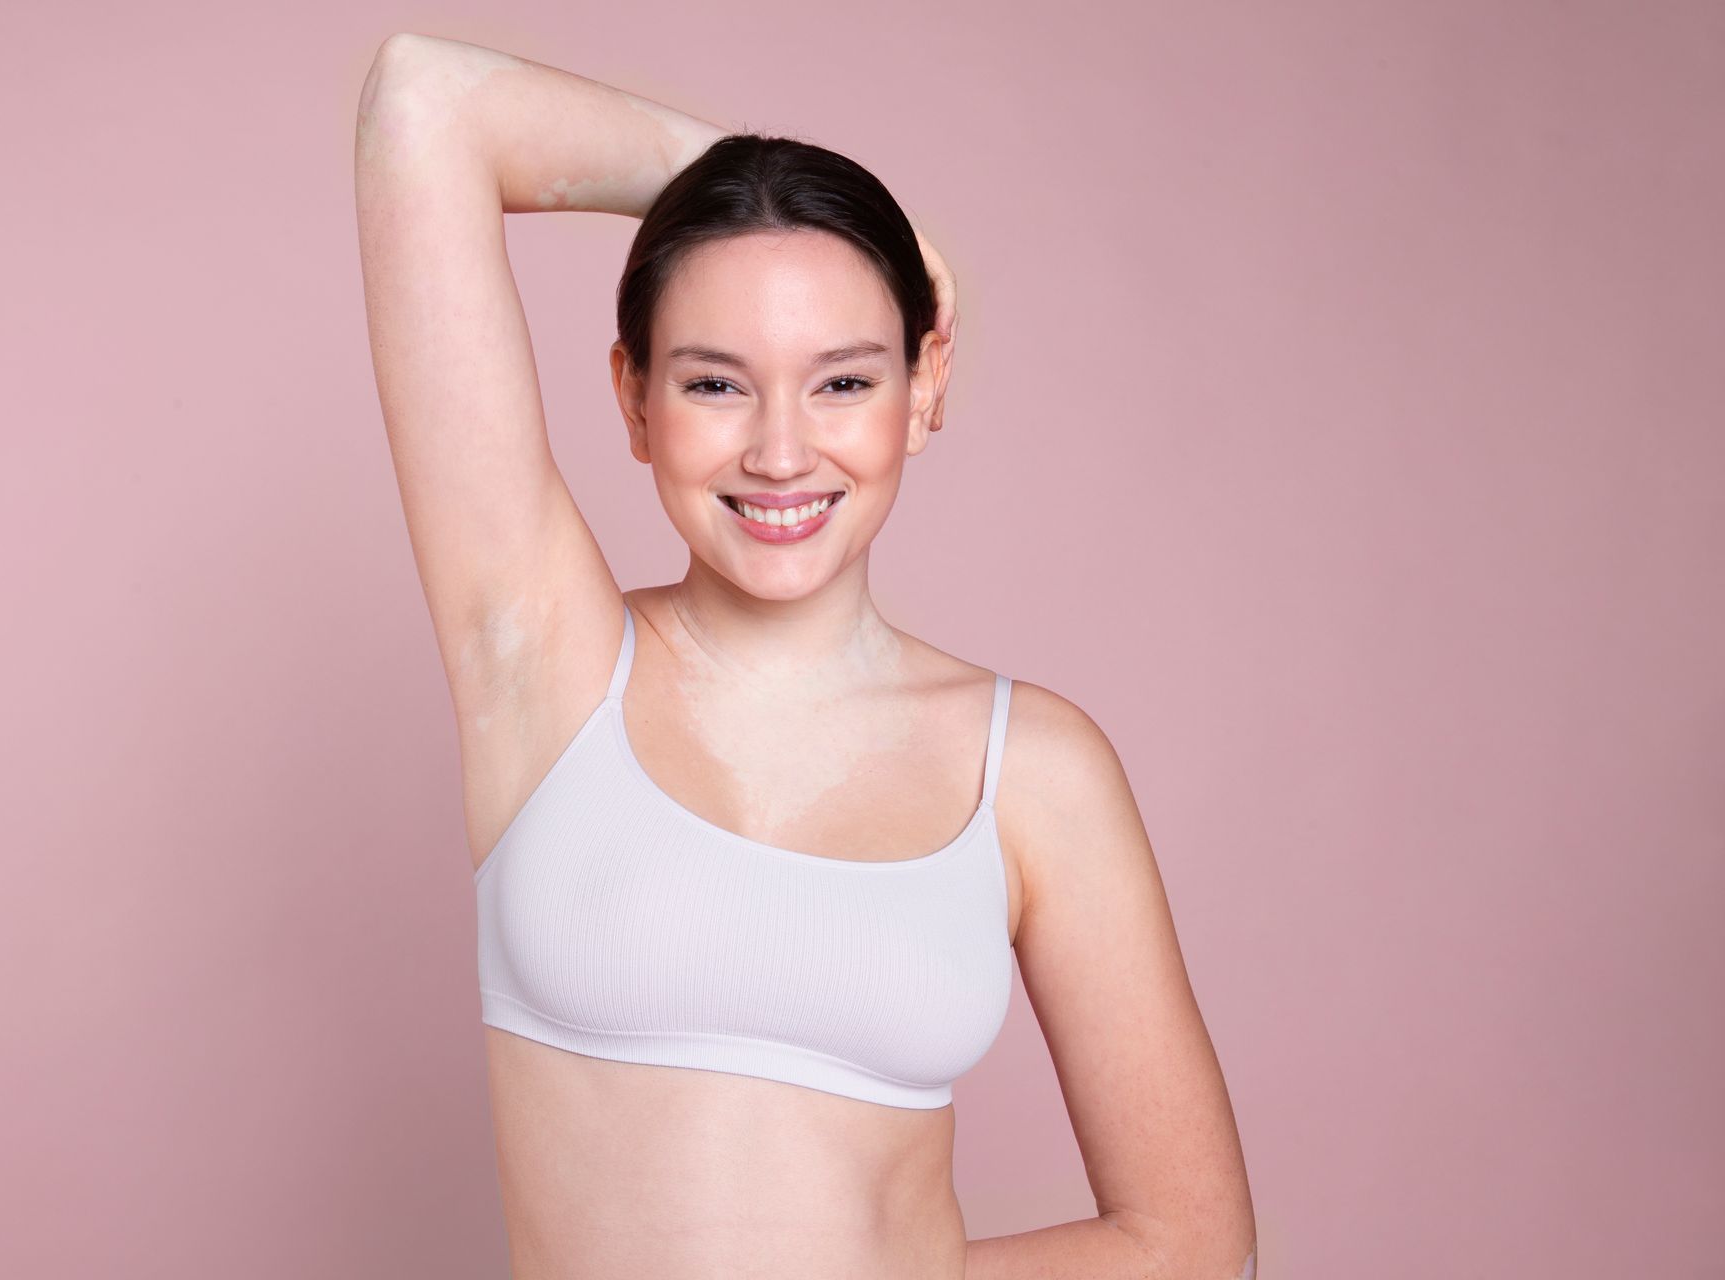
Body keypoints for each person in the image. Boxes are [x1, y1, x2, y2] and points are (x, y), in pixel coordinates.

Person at [353, 32, 1255, 1280]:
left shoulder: (1035, 770)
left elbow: (1194, 1245)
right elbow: (426, 103)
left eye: (842, 380)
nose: (783, 453)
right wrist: (749, 177)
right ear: (633, 398)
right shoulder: (544, 665)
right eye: (717, 384)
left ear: (922, 384)